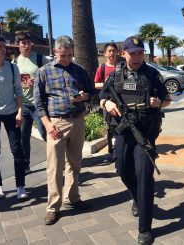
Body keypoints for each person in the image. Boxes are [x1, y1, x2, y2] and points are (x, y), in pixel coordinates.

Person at [99, 36, 171, 245]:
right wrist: (107, 103)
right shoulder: (116, 75)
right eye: (133, 53)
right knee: (122, 169)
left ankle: (145, 228)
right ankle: (138, 198)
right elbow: (102, 95)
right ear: (124, 54)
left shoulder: (152, 74)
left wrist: (158, 103)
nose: (138, 57)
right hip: (123, 131)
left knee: (144, 174)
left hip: (145, 132)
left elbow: (167, 100)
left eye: (141, 53)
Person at [34, 35, 94, 225]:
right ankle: (52, 207)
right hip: (56, 124)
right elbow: (38, 101)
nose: (67, 59)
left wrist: (84, 97)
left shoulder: (79, 70)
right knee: (55, 167)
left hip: (77, 121)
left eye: (69, 55)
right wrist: (47, 123)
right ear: (55, 52)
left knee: (74, 163)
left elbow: (91, 92)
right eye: (63, 55)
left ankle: (72, 198)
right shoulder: (43, 72)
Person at [0, 36, 28, 200]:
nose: (3, 50)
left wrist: (19, 111)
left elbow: (19, 92)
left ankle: (20, 186)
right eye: (0, 47)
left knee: (17, 149)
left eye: (4, 47)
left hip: (11, 113)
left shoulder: (12, 67)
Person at [14, 32, 48, 175]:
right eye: (23, 43)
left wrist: (39, 82)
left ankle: (59, 158)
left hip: (39, 104)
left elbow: (51, 74)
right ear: (19, 45)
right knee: (23, 137)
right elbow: (14, 83)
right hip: (24, 105)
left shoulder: (41, 58)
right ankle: (26, 165)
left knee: (45, 133)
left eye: (28, 42)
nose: (26, 45)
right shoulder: (14, 62)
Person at [94, 42, 118, 163]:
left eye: (114, 50)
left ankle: (120, 151)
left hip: (120, 103)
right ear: (105, 53)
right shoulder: (102, 68)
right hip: (107, 103)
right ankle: (112, 152)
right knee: (110, 128)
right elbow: (95, 84)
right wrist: (106, 85)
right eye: (109, 51)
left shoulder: (121, 66)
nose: (112, 53)